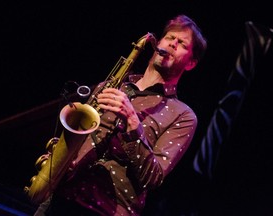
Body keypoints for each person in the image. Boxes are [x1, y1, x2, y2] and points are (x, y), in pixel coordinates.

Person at [34, 14, 207, 216]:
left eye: (182, 44)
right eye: (169, 38)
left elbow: (153, 178)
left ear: (191, 63)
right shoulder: (111, 86)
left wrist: (133, 124)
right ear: (158, 42)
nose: (172, 44)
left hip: (106, 209)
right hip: (61, 197)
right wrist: (64, 160)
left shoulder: (183, 115)